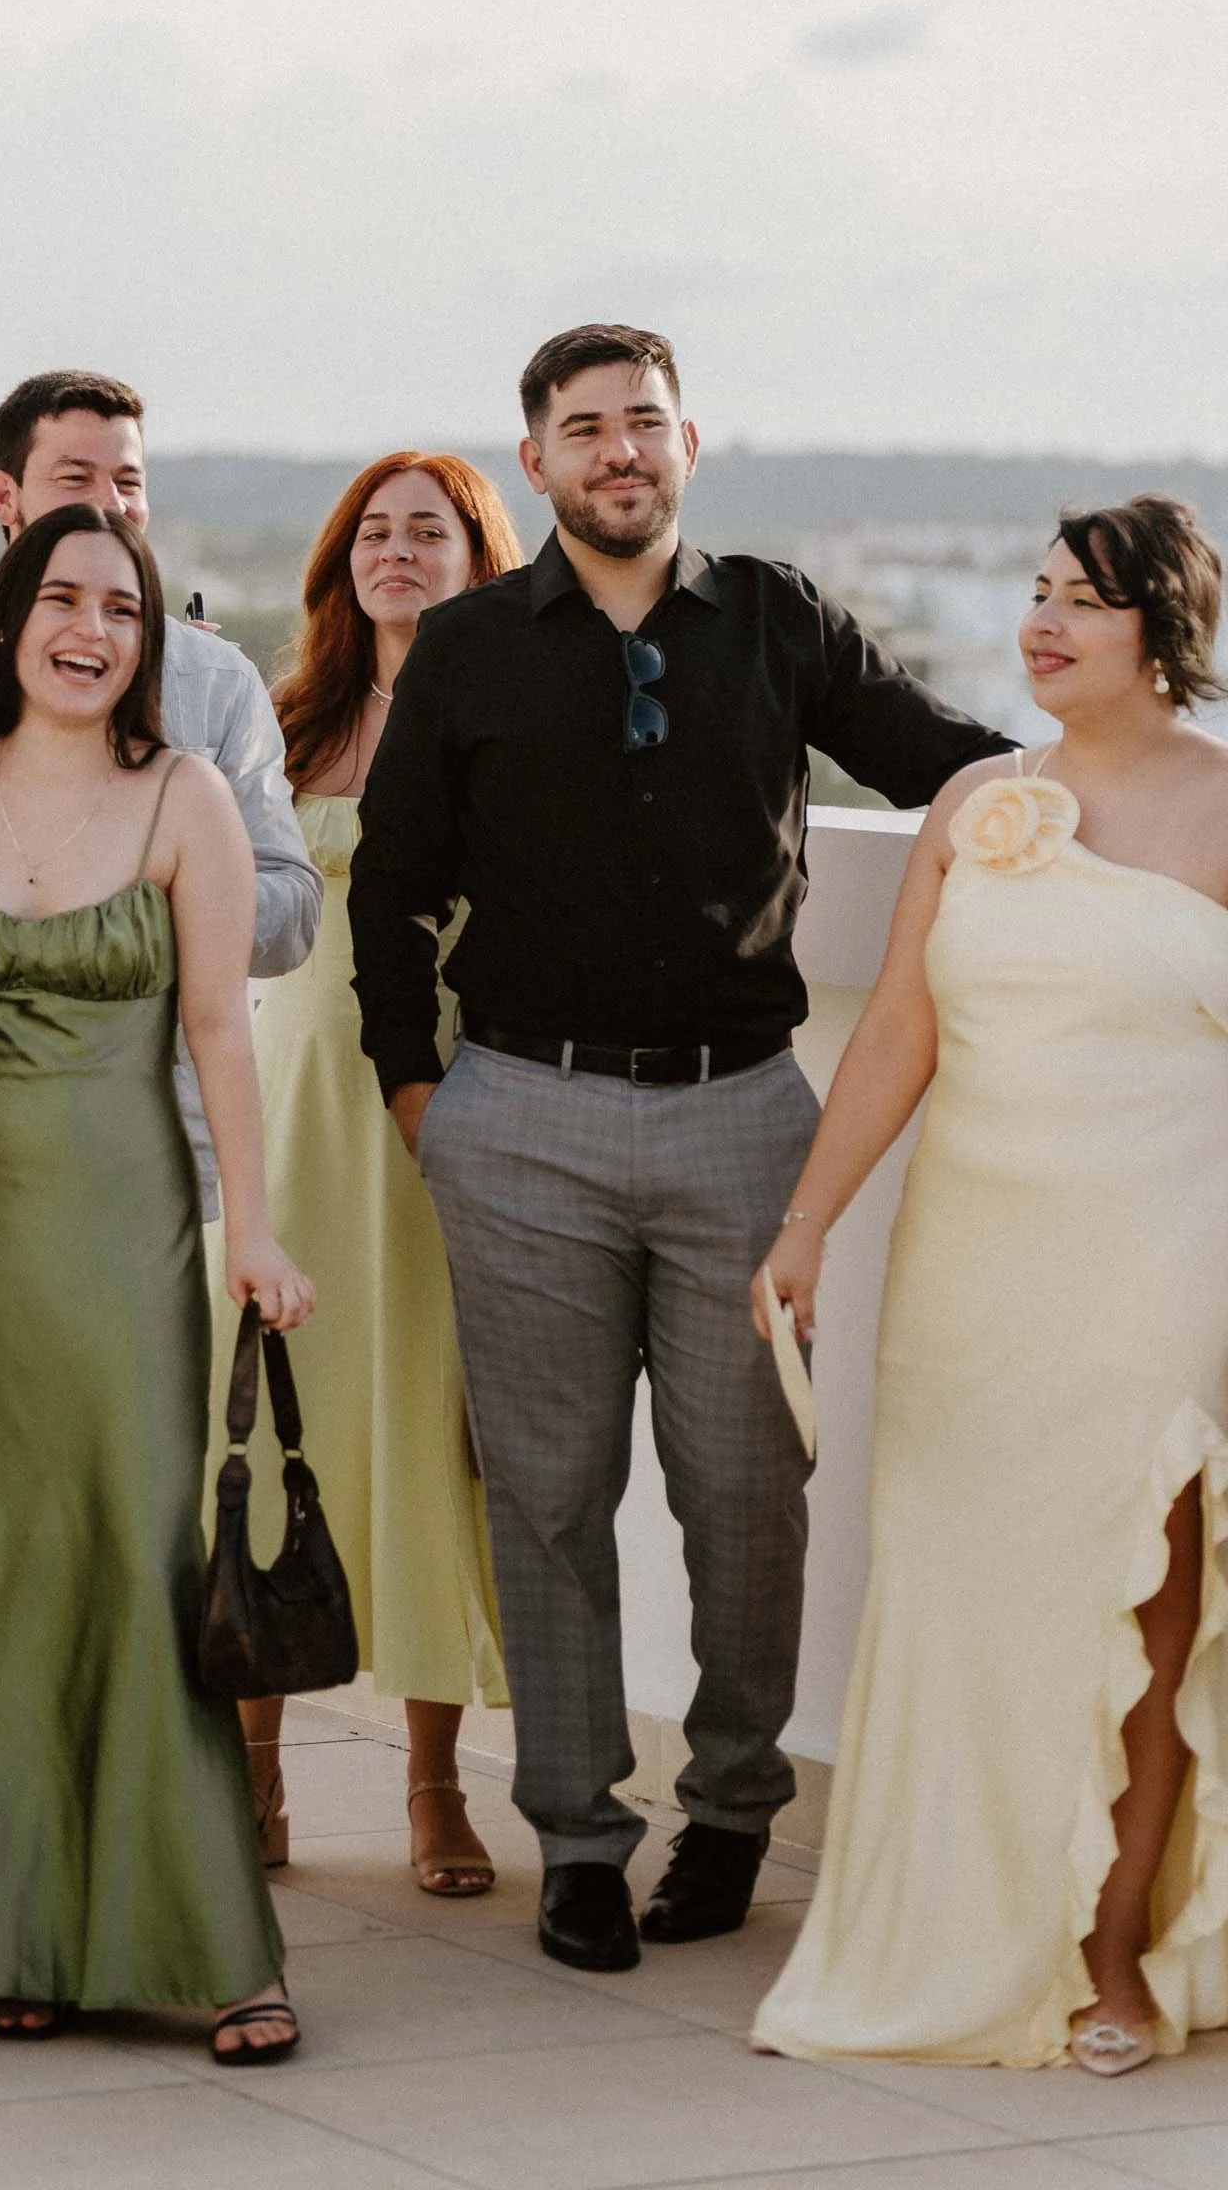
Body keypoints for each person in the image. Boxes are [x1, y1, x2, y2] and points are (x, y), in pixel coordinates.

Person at [350, 323, 1010, 1976]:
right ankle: (577, 1835)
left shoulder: (779, 617)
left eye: (644, 423)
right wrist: (419, 1097)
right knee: (552, 1500)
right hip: (517, 1123)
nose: (619, 451)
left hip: (741, 1119)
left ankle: (728, 1816)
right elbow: (392, 885)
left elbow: (951, 765)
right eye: (586, 430)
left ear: (689, 444)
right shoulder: (473, 646)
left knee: (747, 1494)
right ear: (540, 464)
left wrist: (1139, 793)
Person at [0, 368, 319, 1924]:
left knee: (132, 1523)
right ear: (6, 502)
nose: (109, 514)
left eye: (134, 489)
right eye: (78, 481)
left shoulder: (211, 704)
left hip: (143, 1161)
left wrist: (179, 892)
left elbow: (263, 952)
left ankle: (142, 1868)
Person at [755, 498, 1228, 2077]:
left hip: (1155, 1260)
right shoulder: (974, 799)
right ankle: (954, 1934)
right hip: (972, 1274)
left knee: (1135, 1604)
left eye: (1082, 602)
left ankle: (1109, 1965)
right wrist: (808, 1221)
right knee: (966, 1600)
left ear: (1162, 631)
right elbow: (896, 1032)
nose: (1041, 624)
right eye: (1034, 595)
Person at [212, 454, 520, 1895]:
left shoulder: (517, 721)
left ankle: (433, 1789)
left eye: (429, 531)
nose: (398, 553)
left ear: (480, 554)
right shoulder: (283, 727)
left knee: (428, 1440)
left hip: (445, 1118)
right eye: (374, 534)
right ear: (340, 566)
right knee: (281, 1434)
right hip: (290, 1118)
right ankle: (255, 1782)